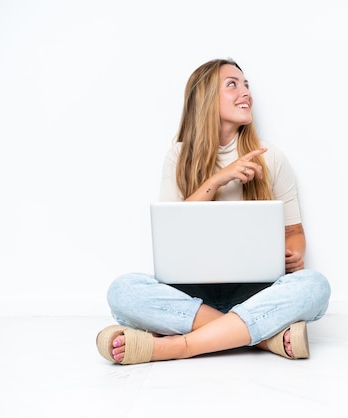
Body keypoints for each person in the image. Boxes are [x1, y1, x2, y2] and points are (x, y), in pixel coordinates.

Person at [95, 58, 331, 365]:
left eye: (246, 85)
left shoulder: (271, 157)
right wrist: (220, 178)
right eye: (232, 84)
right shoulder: (178, 156)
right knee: (122, 292)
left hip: (254, 293)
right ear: (205, 97)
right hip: (191, 295)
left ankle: (178, 346)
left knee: (315, 287)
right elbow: (173, 232)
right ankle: (262, 338)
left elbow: (294, 234)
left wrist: (294, 255)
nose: (245, 92)